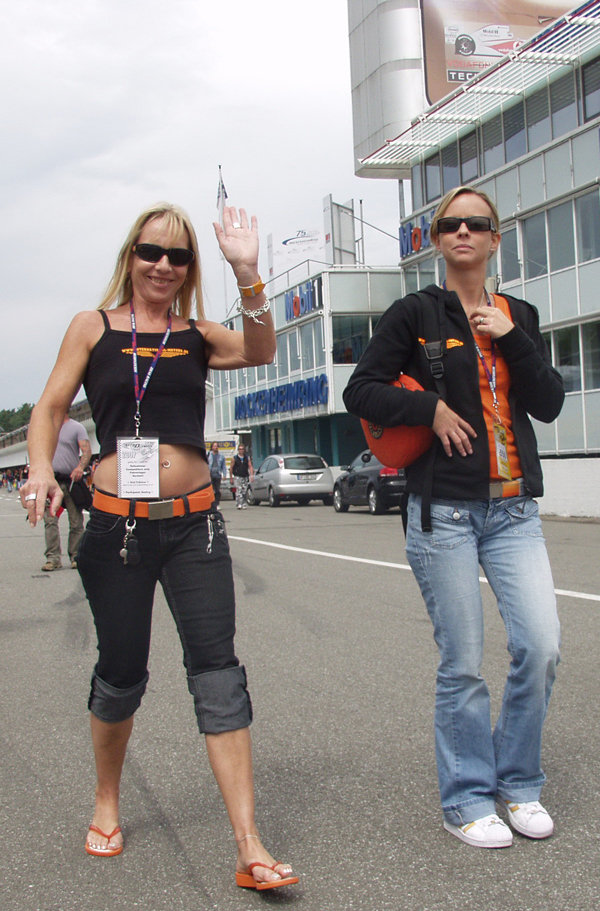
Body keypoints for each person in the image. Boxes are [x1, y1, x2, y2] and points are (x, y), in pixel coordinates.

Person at [21, 202, 298, 890]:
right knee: (122, 671)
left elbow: (261, 349)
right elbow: (49, 407)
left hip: (195, 525)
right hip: (116, 529)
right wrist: (38, 469)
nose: (163, 265)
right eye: (152, 251)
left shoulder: (198, 334)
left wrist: (247, 271)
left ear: (189, 268)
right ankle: (107, 799)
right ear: (131, 255)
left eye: (178, 256)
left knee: (218, 671)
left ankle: (248, 844)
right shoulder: (93, 326)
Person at [344, 186, 564, 849]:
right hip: (444, 513)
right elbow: (361, 389)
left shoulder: (519, 314)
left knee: (541, 647)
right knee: (463, 661)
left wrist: (513, 339)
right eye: (451, 224)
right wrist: (428, 409)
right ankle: (467, 796)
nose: (463, 231)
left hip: (514, 510)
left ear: (495, 238)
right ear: (438, 240)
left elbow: (549, 402)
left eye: (477, 223)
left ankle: (518, 782)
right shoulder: (414, 312)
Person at [41, 414, 92, 571]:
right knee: (50, 521)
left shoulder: (77, 427)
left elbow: (86, 451)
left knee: (76, 521)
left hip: (70, 481)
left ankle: (75, 555)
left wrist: (80, 468)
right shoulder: (45, 427)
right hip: (51, 481)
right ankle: (53, 557)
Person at [230, 443, 253, 509]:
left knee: (244, 490)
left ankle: (243, 503)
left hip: (245, 476)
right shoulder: (235, 458)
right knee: (239, 490)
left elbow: (250, 466)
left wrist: (251, 476)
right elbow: (231, 468)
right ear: (238, 450)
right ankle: (239, 503)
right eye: (240, 449)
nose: (241, 450)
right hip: (237, 476)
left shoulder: (247, 458)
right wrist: (231, 478)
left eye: (242, 449)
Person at [207, 441, 227, 506]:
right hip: (210, 474)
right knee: (211, 490)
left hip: (218, 474)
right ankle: (212, 503)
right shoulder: (208, 455)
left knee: (217, 490)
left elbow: (223, 466)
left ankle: (217, 503)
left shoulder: (221, 456)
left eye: (217, 446)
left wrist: (224, 475)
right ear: (212, 447)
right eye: (215, 446)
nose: (216, 447)